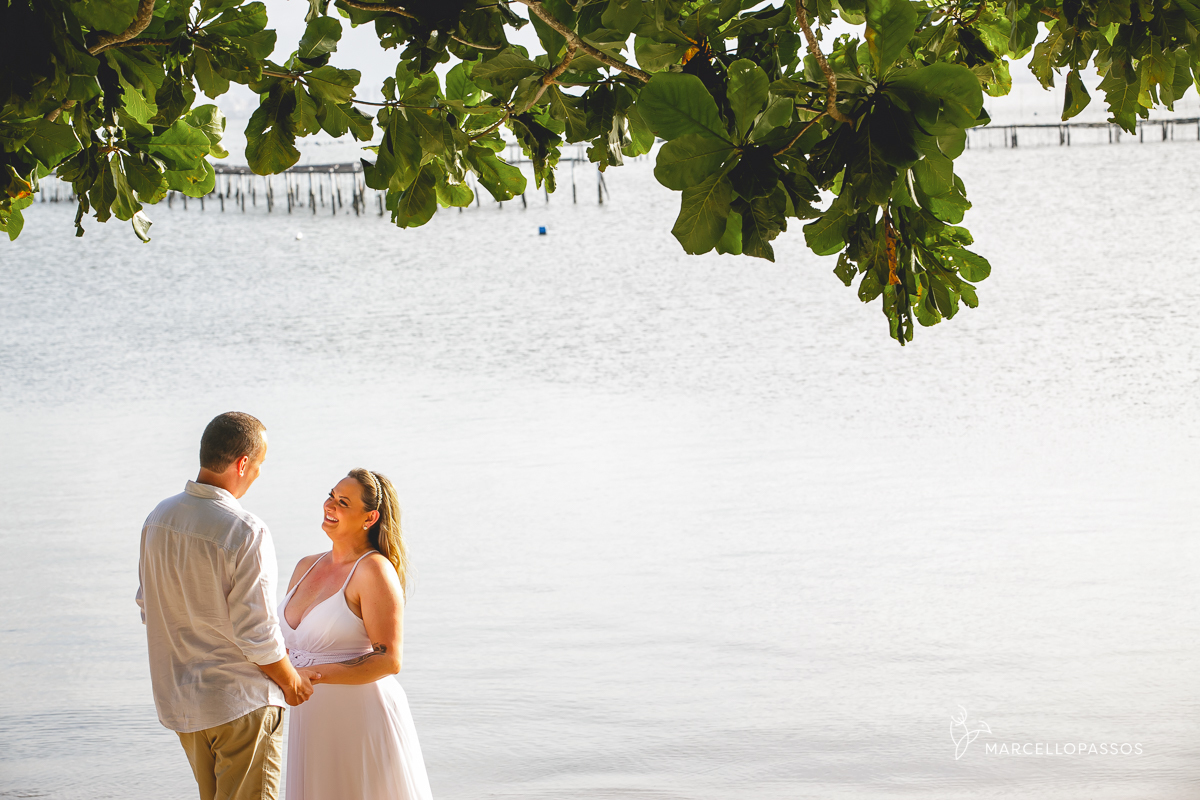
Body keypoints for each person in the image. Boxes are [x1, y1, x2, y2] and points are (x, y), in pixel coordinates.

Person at [136, 412, 314, 800]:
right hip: (240, 704)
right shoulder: (245, 529)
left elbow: (148, 606)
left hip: (184, 703)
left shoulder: (157, 518)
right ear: (243, 463)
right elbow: (258, 634)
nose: (259, 474)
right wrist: (292, 682)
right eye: (260, 464)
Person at [279, 468, 433, 800]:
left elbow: (389, 660)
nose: (330, 505)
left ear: (370, 518)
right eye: (331, 496)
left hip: (361, 719)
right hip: (312, 719)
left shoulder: (373, 570)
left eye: (343, 502)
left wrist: (309, 676)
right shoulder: (305, 566)